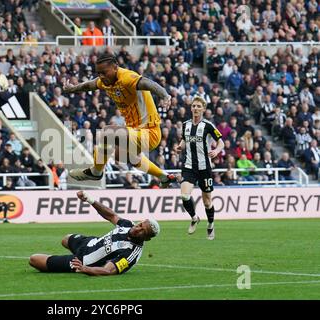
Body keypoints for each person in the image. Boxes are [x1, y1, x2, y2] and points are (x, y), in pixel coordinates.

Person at [63, 53, 175, 187]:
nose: (101, 76)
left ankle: (96, 171)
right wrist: (72, 89)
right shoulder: (105, 81)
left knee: (108, 133)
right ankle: (164, 177)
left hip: (149, 133)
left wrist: (165, 95)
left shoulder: (127, 77)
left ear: (115, 67)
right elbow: (90, 85)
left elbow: (147, 82)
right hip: (133, 131)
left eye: (104, 73)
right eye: (99, 73)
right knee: (122, 156)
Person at [29, 190, 160, 275]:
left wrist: (85, 269)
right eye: (140, 225)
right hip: (89, 243)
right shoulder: (128, 225)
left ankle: (67, 262)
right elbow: (111, 216)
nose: (138, 228)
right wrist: (90, 200)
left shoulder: (131, 253)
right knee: (65, 239)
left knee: (34, 259)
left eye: (143, 231)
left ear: (147, 239)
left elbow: (108, 271)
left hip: (83, 260)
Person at [175, 97, 225, 240]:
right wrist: (180, 147)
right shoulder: (186, 125)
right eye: (193, 106)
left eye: (198, 106)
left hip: (204, 168)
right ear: (191, 108)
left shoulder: (208, 125)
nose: (195, 108)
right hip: (189, 166)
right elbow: (184, 140)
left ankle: (210, 225)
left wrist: (216, 151)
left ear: (203, 109)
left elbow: (221, 143)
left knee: (207, 202)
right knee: (184, 195)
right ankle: (194, 217)